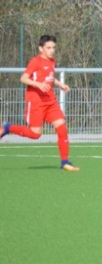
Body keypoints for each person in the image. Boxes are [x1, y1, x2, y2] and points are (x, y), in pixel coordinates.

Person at [0, 35, 80, 171]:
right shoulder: (35, 62)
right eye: (48, 48)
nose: (52, 50)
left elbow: (50, 77)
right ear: (40, 48)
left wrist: (61, 85)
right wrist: (37, 84)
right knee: (35, 134)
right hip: (36, 102)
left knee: (62, 128)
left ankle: (65, 162)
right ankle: (8, 128)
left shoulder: (52, 61)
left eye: (53, 47)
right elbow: (23, 78)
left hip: (50, 101)